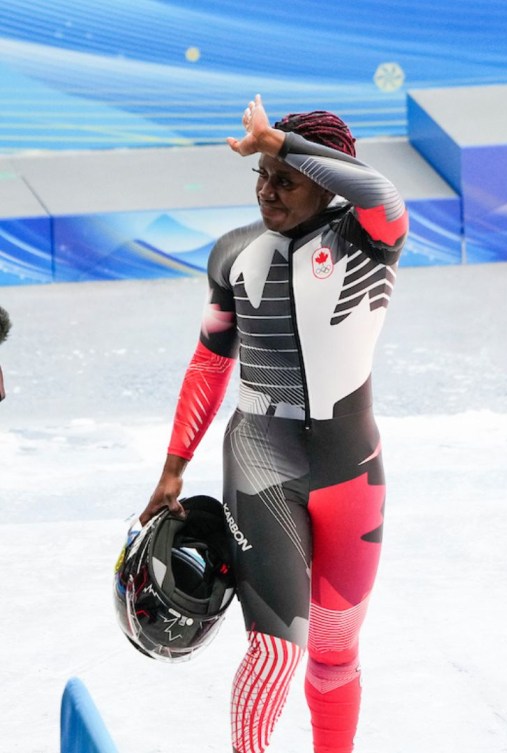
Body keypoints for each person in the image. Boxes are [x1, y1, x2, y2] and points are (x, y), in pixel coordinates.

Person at [139, 94, 408, 753]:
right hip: (262, 456)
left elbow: (378, 186)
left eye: (284, 179)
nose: (267, 191)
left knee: (335, 648)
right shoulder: (234, 255)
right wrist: (173, 467)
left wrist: (280, 143)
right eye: (260, 177)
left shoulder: (372, 238)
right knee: (275, 650)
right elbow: (208, 366)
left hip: (351, 468)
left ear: (325, 182)